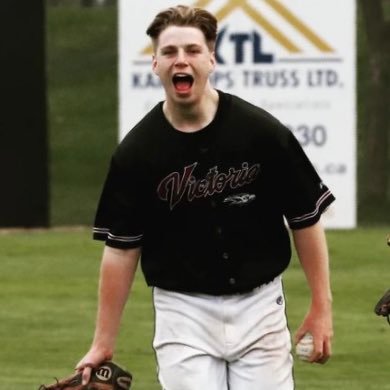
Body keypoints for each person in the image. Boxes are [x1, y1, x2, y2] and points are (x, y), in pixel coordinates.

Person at [76, 5, 334, 389]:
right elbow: (121, 249)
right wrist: (103, 341)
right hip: (183, 313)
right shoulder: (137, 153)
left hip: (260, 308)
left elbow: (305, 219)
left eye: (193, 50)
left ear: (211, 59)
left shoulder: (262, 133)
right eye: (170, 52)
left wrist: (321, 307)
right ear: (156, 64)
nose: (181, 59)